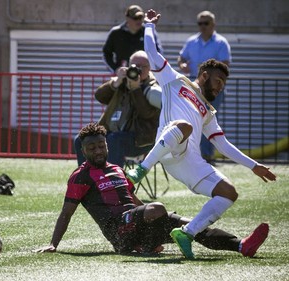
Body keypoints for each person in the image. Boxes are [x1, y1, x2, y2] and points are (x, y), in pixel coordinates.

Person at [126, 10, 276, 259]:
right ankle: (141, 169)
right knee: (184, 125)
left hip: (188, 161)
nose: (220, 86)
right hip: (167, 145)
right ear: (204, 75)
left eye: (223, 84)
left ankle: (187, 232)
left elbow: (223, 144)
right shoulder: (175, 80)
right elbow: (151, 53)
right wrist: (150, 26)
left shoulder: (208, 111)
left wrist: (253, 165)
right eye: (218, 80)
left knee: (229, 193)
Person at [35, 123, 269, 257]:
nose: (97, 150)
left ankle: (241, 245)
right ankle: (143, 245)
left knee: (190, 227)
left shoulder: (117, 169)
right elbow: (66, 213)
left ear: (106, 145)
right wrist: (54, 244)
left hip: (139, 223)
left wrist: (161, 218)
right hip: (118, 232)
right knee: (156, 208)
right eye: (91, 147)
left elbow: (133, 199)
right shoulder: (81, 176)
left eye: (100, 145)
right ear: (83, 151)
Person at [74, 50, 161, 167]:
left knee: (113, 140)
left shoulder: (153, 87)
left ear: (150, 68)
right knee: (82, 139)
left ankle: (113, 181)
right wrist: (116, 82)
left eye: (143, 66)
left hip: (140, 140)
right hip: (114, 134)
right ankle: (87, 179)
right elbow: (99, 96)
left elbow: (146, 114)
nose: (138, 70)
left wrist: (136, 89)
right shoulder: (122, 82)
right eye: (135, 66)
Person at [177, 11, 232, 164]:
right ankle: (193, 155)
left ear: (213, 25)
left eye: (206, 23)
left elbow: (225, 65)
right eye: (200, 23)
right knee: (193, 120)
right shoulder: (191, 41)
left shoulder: (221, 43)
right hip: (194, 87)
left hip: (213, 90)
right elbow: (181, 57)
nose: (202, 26)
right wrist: (182, 65)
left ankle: (207, 156)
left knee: (207, 121)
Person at [102, 5, 163, 73]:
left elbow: (158, 52)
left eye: (141, 17)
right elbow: (106, 54)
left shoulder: (148, 32)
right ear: (127, 18)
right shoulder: (116, 33)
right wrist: (116, 69)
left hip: (145, 74)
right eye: (135, 18)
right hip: (124, 75)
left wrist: (152, 69)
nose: (139, 21)